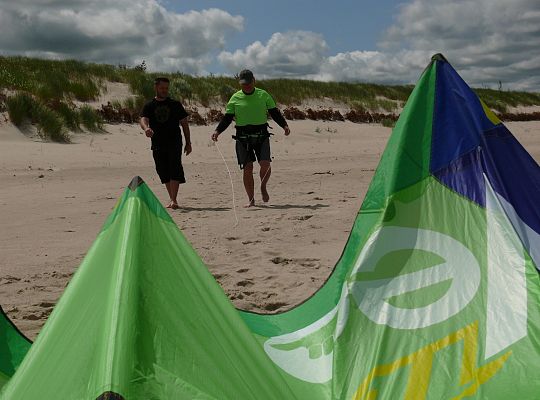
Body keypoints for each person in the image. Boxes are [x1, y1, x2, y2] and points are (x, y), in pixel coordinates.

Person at [212, 69, 290, 207]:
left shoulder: (263, 95)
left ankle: (263, 186)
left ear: (254, 80)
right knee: (247, 168)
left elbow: (274, 113)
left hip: (261, 135)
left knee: (265, 164)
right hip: (242, 137)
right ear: (240, 83)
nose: (246, 86)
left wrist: (284, 125)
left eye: (249, 83)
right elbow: (227, 118)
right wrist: (217, 131)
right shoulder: (235, 98)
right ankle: (251, 200)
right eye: (243, 84)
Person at [140, 77, 192, 209]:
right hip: (157, 143)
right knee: (162, 170)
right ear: (156, 88)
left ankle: (174, 199)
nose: (165, 90)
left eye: (166, 88)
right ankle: (172, 198)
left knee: (175, 168)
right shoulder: (149, 105)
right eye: (162, 88)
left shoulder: (175, 104)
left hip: (174, 141)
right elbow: (143, 119)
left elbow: (184, 124)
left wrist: (188, 142)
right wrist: (146, 128)